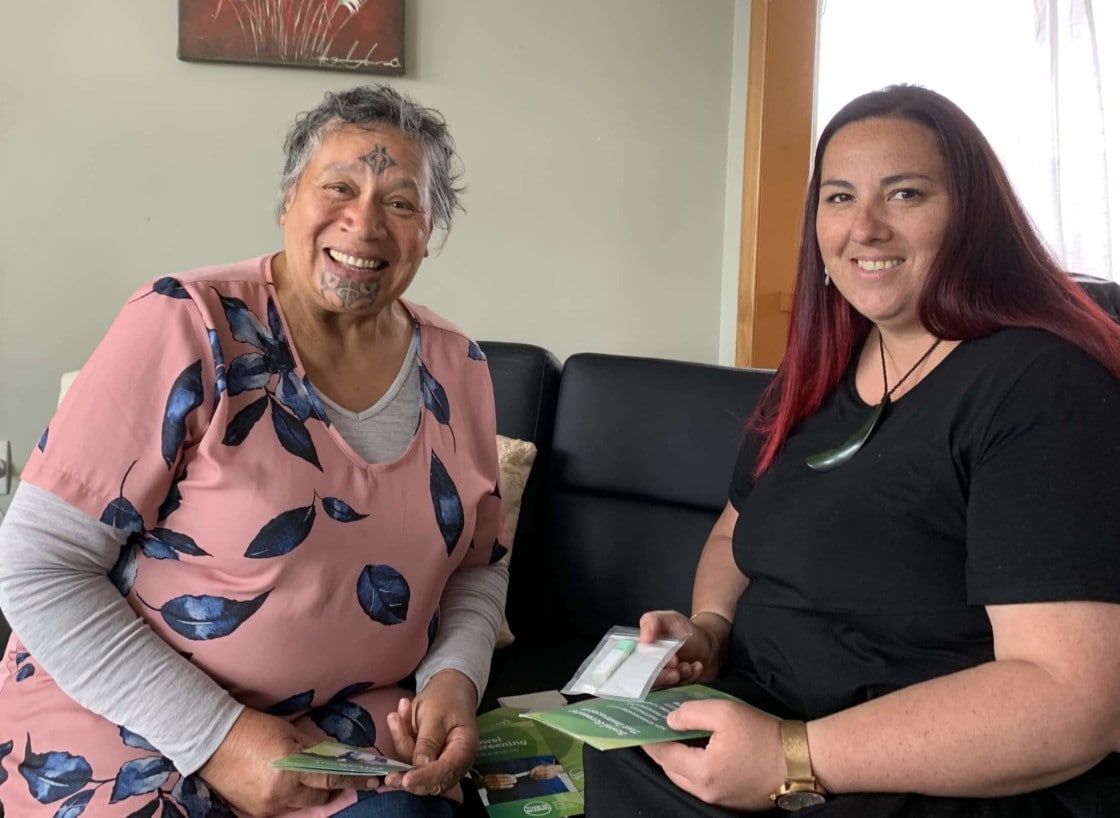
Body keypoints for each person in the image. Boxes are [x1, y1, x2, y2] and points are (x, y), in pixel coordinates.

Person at [582, 84, 1120, 817]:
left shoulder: (1039, 382)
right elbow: (736, 530)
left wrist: (792, 757)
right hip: (766, 727)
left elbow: (1073, 700)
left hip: (914, 779)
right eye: (838, 198)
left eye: (904, 194)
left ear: (972, 216)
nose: (864, 227)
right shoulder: (819, 371)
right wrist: (709, 627)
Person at [0, 84, 509, 818]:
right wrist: (219, 739)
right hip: (130, 718)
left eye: (401, 203)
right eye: (339, 186)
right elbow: (37, 565)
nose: (364, 223)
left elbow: (477, 568)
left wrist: (455, 678)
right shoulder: (187, 324)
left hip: (349, 736)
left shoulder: (460, 369)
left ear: (429, 232)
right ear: (287, 200)